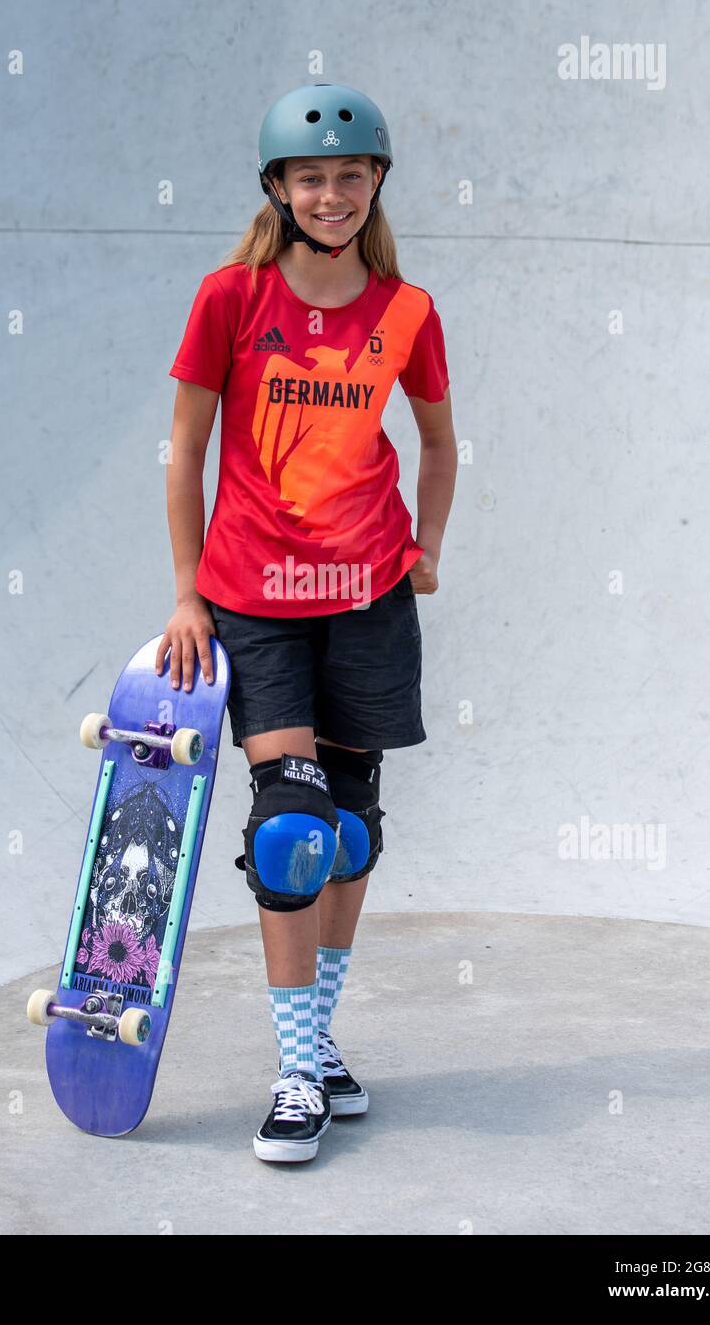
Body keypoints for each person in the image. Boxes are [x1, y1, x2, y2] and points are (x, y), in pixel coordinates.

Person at [158, 82, 457, 1163]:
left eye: (348, 174)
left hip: (368, 598)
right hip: (255, 599)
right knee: (289, 828)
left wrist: (424, 547)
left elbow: (436, 438)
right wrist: (189, 590)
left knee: (351, 830)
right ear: (277, 189)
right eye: (307, 176)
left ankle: (317, 1037)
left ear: (375, 181)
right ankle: (295, 1073)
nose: (328, 193)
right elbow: (185, 450)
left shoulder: (407, 310)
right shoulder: (230, 297)